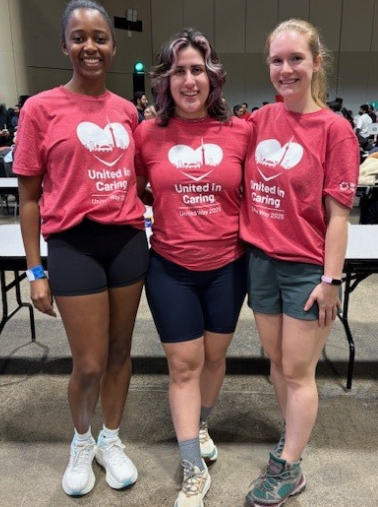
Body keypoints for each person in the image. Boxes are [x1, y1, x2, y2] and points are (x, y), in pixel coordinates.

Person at [14, 0, 144, 496]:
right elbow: (28, 199)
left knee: (119, 352)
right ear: (65, 45)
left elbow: (141, 178)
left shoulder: (128, 112)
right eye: (79, 37)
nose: (90, 46)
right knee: (87, 362)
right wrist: (35, 270)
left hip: (128, 243)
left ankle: (112, 438)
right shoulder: (40, 110)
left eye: (99, 37)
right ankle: (82, 440)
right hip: (74, 247)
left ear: (112, 45)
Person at [240, 19, 355, 505]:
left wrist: (331, 279)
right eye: (277, 60)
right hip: (260, 262)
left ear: (316, 63)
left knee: (297, 371)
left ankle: (288, 466)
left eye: (295, 59)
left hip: (308, 269)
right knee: (277, 364)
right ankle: (293, 446)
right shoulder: (258, 122)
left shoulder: (335, 131)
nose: (285, 69)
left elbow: (338, 217)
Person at [134, 28, 249, 507]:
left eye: (197, 69)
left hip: (228, 267)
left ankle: (201, 425)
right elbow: (139, 189)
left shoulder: (242, 131)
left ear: (213, 76)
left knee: (214, 359)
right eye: (179, 70)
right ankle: (191, 469)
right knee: (184, 366)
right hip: (170, 268)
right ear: (165, 80)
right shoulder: (147, 134)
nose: (189, 79)